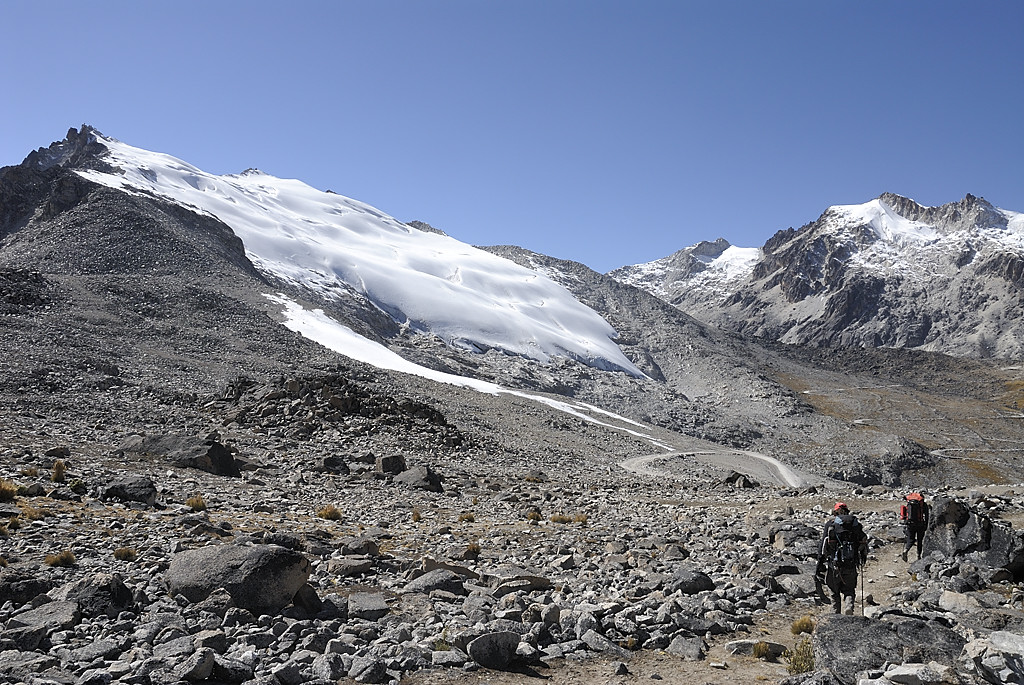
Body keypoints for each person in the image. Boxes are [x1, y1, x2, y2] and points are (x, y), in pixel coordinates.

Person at [815, 502, 868, 615]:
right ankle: (849, 606)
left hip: (834, 565)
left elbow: (823, 545)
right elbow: (863, 542)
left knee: (834, 591)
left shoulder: (831, 524)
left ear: (835, 512)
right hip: (851, 563)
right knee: (849, 590)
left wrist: (820, 562)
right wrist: (862, 559)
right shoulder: (855, 525)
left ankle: (835, 614)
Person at [899, 492, 929, 561]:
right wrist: (926, 525)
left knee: (910, 539)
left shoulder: (909, 504)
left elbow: (905, 514)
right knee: (919, 541)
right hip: (920, 524)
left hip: (910, 523)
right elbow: (927, 516)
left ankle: (906, 550)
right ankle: (918, 556)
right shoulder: (923, 505)